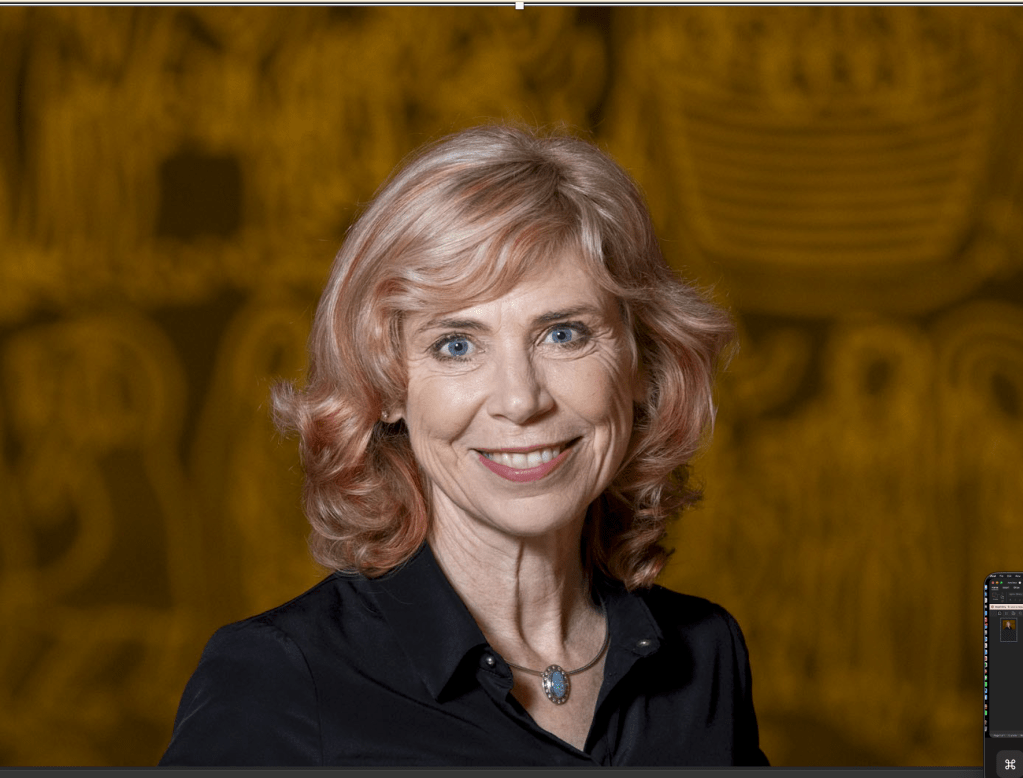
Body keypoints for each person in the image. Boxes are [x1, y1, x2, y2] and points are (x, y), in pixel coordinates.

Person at [159, 124, 768, 766]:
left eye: (562, 334)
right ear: (387, 386)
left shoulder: (704, 659)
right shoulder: (280, 681)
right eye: (457, 345)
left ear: (640, 361)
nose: (520, 399)